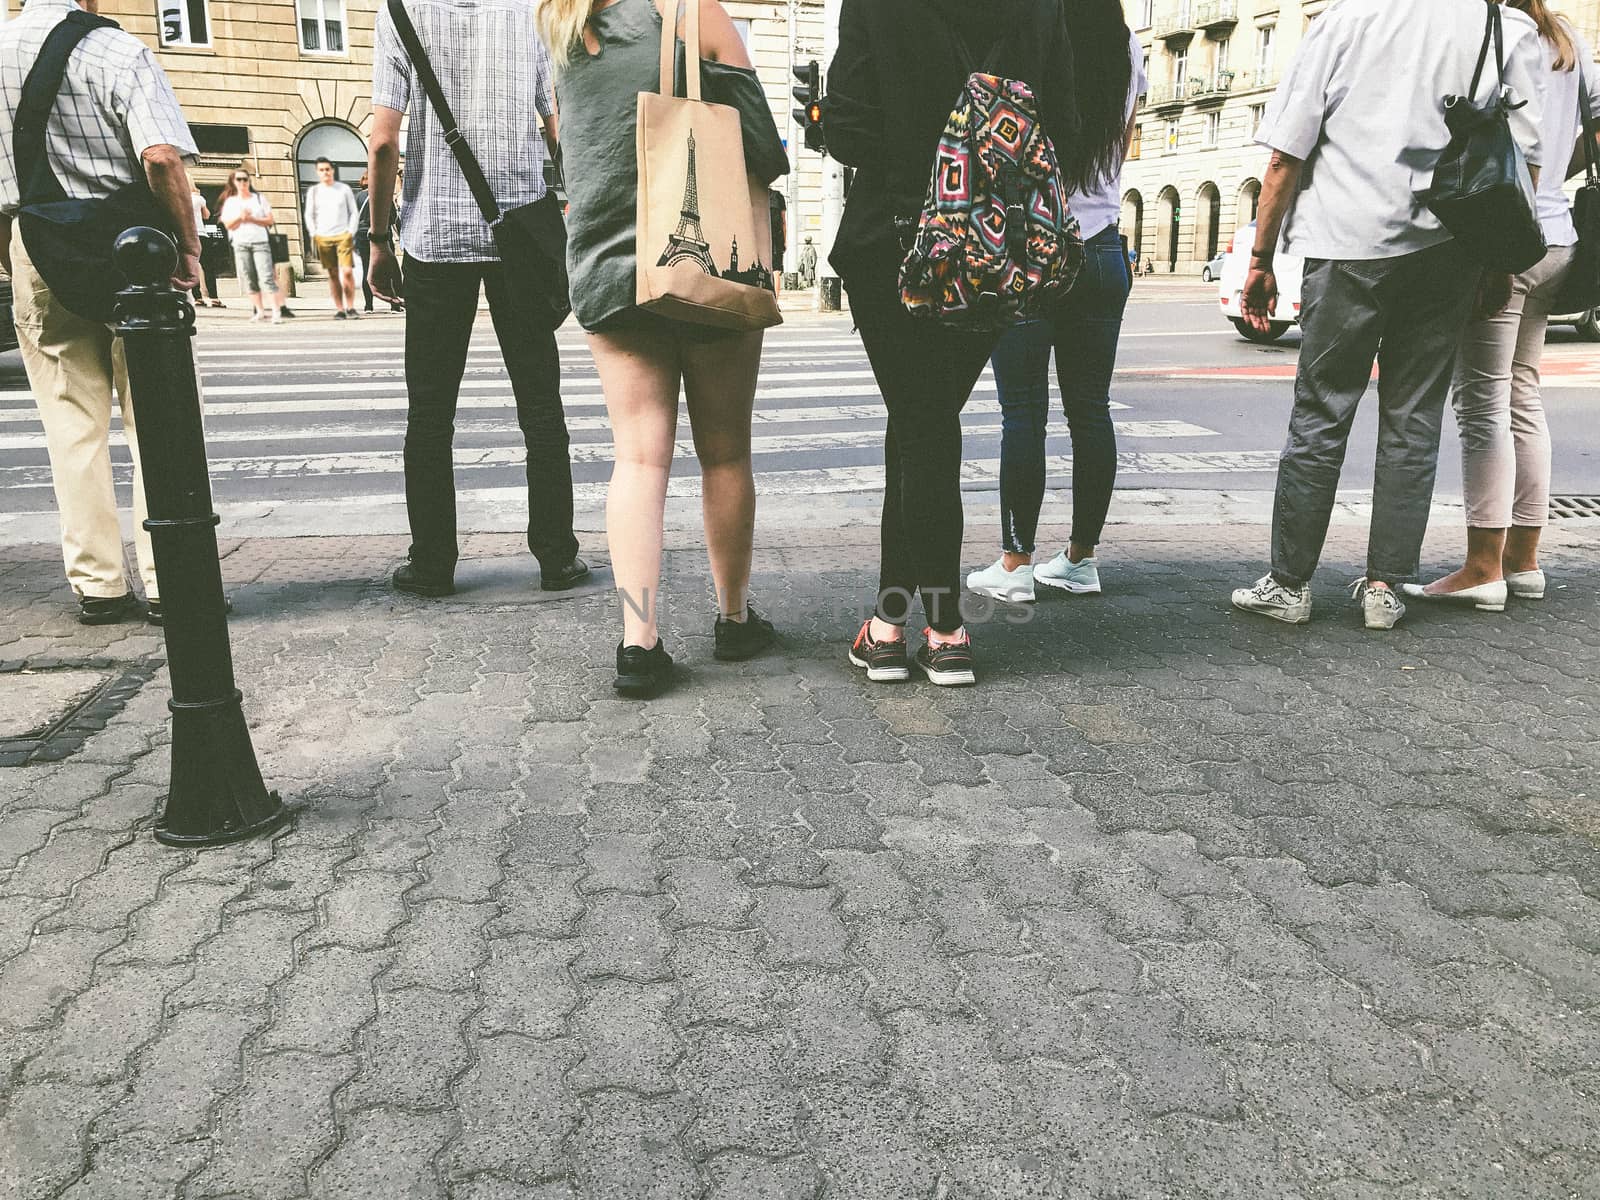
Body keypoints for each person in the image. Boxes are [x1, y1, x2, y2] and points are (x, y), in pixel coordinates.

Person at [1230, 0, 1544, 631]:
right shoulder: (1505, 26)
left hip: (1345, 242)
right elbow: (1524, 159)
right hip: (1448, 248)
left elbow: (1285, 154)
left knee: (1322, 410)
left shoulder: (1344, 21)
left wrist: (1259, 258)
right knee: (1415, 416)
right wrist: (1495, 264)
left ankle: (1290, 584)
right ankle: (1384, 586)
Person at [534, 0, 786, 697]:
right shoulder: (693, 12)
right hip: (704, 256)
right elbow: (759, 143)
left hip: (608, 267)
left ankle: (638, 641)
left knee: (638, 458)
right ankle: (733, 620)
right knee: (726, 451)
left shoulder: (561, 26)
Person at [825, 0, 1078, 686]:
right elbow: (1065, 125)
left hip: (898, 240)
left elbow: (847, 128)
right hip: (997, 248)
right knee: (918, 419)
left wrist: (917, 154)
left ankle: (939, 629)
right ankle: (888, 621)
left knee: (922, 423)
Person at [368, 0, 588, 602]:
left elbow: (384, 141)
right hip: (520, 234)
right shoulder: (534, 14)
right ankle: (557, 557)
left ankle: (433, 564)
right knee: (541, 408)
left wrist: (380, 241)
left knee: (430, 416)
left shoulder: (400, 13)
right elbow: (559, 126)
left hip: (435, 240)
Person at [0, 0, 201, 625]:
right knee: (153, 419)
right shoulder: (120, 50)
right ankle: (172, 581)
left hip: (37, 247)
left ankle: (100, 586)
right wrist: (189, 248)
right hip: (131, 254)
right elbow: (162, 157)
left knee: (70, 425)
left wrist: (11, 257)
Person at [1407, 0, 1600, 614]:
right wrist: (1553, 184)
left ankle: (1482, 566)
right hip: (1558, 237)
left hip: (1505, 240)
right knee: (1522, 392)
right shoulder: (1567, 37)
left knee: (1482, 399)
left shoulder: (1490, 32)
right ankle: (1523, 560)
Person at [966, 0, 1145, 605]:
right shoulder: (1129, 49)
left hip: (1031, 250)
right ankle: (1080, 559)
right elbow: (1118, 146)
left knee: (1023, 415)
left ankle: (1016, 564)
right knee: (1091, 411)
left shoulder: (1027, 37)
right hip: (1102, 249)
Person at [220, 167, 283, 323]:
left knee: (267, 277)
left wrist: (252, 219)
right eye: (239, 179)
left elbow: (269, 221)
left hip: (260, 242)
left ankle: (276, 312)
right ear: (233, 182)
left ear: (249, 181)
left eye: (245, 179)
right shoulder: (231, 202)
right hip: (240, 244)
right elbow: (228, 225)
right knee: (249, 279)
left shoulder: (259, 199)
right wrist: (241, 218)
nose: (242, 182)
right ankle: (259, 311)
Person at [304, 155, 360, 318]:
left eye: (327, 169)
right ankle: (340, 309)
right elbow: (309, 215)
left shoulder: (343, 189)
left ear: (332, 170)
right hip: (324, 237)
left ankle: (351, 307)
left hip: (343, 235)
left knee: (347, 272)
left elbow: (353, 212)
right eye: (321, 170)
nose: (325, 172)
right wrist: (314, 233)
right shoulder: (314, 192)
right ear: (317, 172)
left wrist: (350, 231)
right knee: (333, 274)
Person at [190, 184, 225, 308]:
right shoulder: (198, 199)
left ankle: (198, 298)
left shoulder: (179, 198)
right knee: (208, 267)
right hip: (201, 235)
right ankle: (214, 298)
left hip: (188, 236)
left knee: (192, 268)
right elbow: (207, 215)